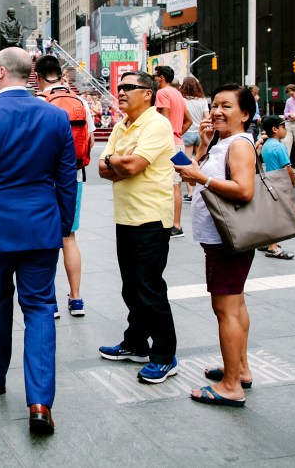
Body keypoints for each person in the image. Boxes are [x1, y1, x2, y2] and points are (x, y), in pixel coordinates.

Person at [0, 47, 78, 436]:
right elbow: (67, 179)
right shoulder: (56, 117)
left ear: (2, 72)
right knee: (40, 306)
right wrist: (62, 223)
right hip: (41, 224)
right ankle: (40, 402)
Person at [173, 84, 258, 407]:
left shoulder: (238, 145)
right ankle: (241, 369)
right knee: (235, 306)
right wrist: (204, 147)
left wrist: (202, 177)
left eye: (226, 106)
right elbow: (203, 174)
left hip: (227, 240)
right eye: (215, 105)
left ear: (245, 114)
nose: (217, 111)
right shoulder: (224, 143)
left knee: (225, 310)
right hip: (221, 239)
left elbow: (244, 190)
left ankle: (231, 385)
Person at [98, 71, 179, 384]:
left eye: (129, 87)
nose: (121, 91)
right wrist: (122, 163)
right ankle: (136, 344)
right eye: (120, 87)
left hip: (150, 218)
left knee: (149, 289)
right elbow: (103, 169)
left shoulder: (156, 124)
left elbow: (132, 166)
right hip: (126, 216)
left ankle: (164, 355)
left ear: (148, 93)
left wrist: (119, 162)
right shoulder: (122, 125)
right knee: (131, 287)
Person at [34, 55, 94, 318]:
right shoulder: (80, 101)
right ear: (60, 75)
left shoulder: (38, 102)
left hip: (44, 180)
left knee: (46, 240)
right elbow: (89, 140)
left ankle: (51, 301)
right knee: (69, 237)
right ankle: (77, 298)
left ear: (37, 77)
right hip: (74, 176)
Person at [154, 65, 192, 237]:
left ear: (161, 77)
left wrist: (166, 138)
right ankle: (176, 224)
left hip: (167, 144)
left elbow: (164, 121)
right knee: (176, 185)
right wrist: (178, 133)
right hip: (178, 143)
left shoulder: (162, 93)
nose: (154, 79)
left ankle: (172, 224)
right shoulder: (177, 93)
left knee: (168, 185)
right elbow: (189, 120)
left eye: (155, 76)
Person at [256, 115, 295, 259]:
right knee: (277, 216)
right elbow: (288, 168)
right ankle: (273, 247)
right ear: (275, 129)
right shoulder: (279, 146)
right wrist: (293, 182)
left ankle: (268, 242)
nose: (285, 129)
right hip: (280, 183)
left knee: (271, 214)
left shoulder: (266, 145)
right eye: (283, 127)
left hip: (269, 182)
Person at [180, 76, 210, 202]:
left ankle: (190, 193)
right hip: (200, 132)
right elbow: (207, 117)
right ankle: (200, 186)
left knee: (186, 163)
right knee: (201, 161)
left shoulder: (182, 100)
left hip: (187, 132)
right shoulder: (202, 100)